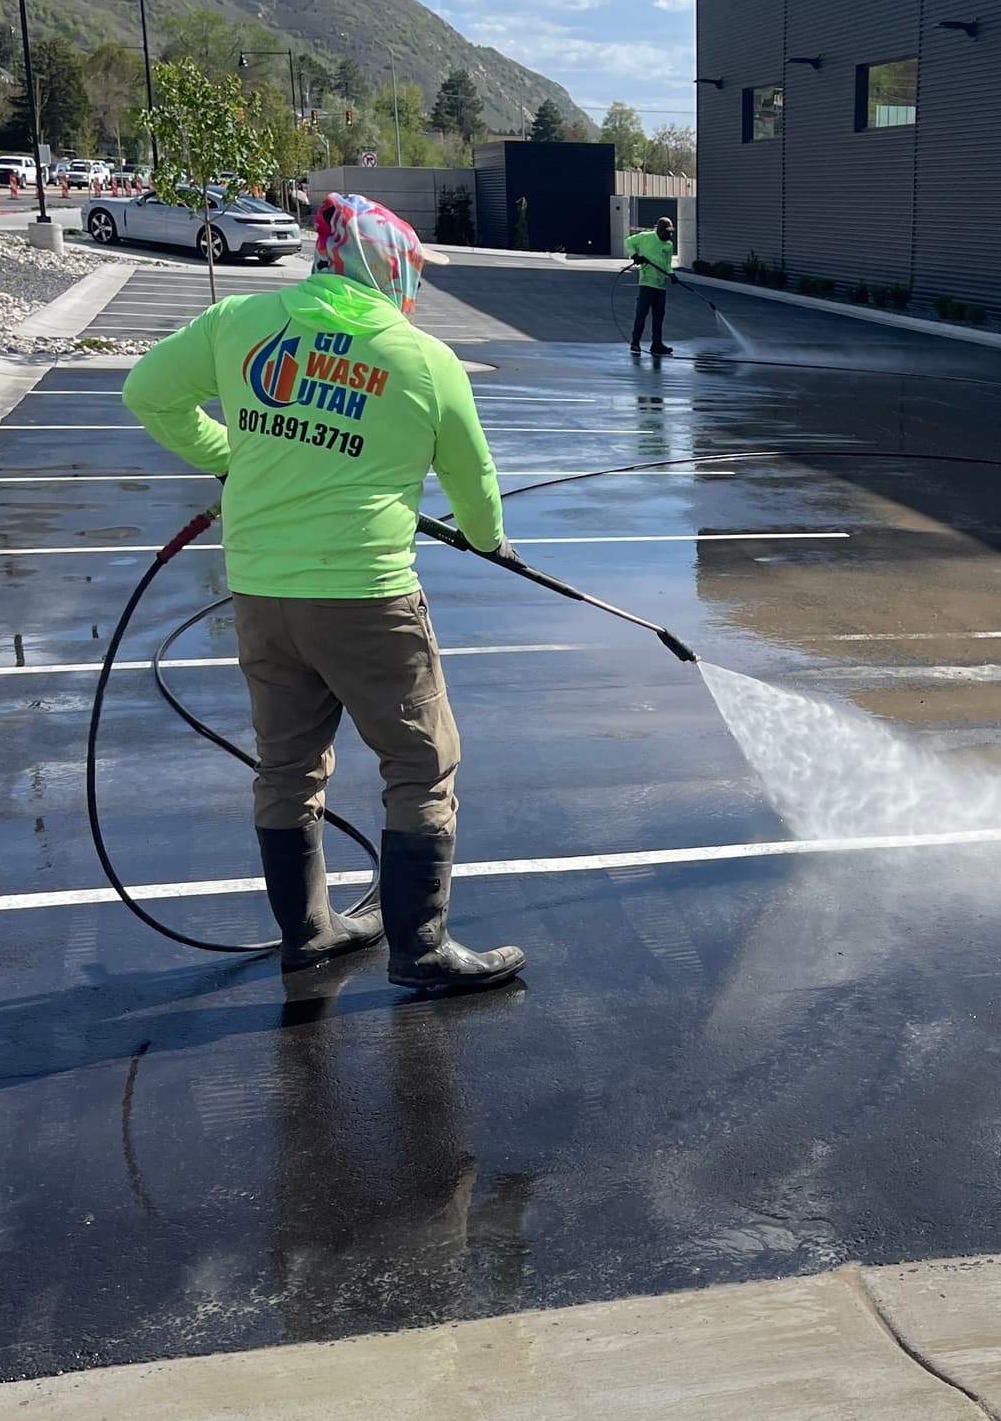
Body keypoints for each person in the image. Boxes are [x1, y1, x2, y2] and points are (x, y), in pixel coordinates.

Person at [121, 191, 526, 996]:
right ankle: (421, 950)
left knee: (288, 766)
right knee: (421, 762)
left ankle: (307, 934)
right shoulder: (422, 360)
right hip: (368, 597)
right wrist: (489, 542)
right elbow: (473, 481)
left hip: (261, 591)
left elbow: (147, 393)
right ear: (389, 266)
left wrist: (228, 456)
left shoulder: (241, 323)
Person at [624, 213, 676, 355]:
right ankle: (635, 342)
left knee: (659, 316)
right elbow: (628, 241)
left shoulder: (668, 245)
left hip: (660, 285)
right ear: (659, 230)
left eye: (671, 233)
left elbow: (667, 264)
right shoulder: (646, 237)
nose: (669, 236)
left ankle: (657, 344)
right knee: (642, 313)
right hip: (646, 283)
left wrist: (671, 274)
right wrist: (635, 255)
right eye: (667, 232)